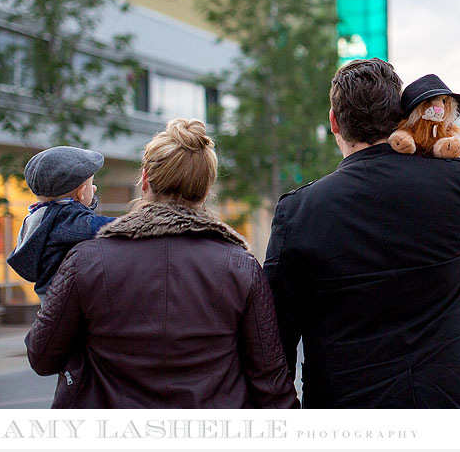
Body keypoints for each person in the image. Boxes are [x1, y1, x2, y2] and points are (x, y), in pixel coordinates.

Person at [264, 59, 460, 408]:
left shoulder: (299, 211)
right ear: (398, 114)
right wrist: (444, 160)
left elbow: (276, 333)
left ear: (334, 122)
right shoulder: (450, 181)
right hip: (450, 400)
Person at [25, 119, 299, 409]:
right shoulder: (240, 268)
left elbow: (42, 357)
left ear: (144, 181)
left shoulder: (86, 260)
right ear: (205, 190)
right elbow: (271, 385)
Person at [7, 146, 114, 297]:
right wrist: (139, 221)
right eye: (91, 184)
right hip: (65, 298)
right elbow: (103, 227)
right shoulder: (67, 219)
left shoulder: (42, 216)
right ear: (81, 192)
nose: (94, 188)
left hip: (48, 294)